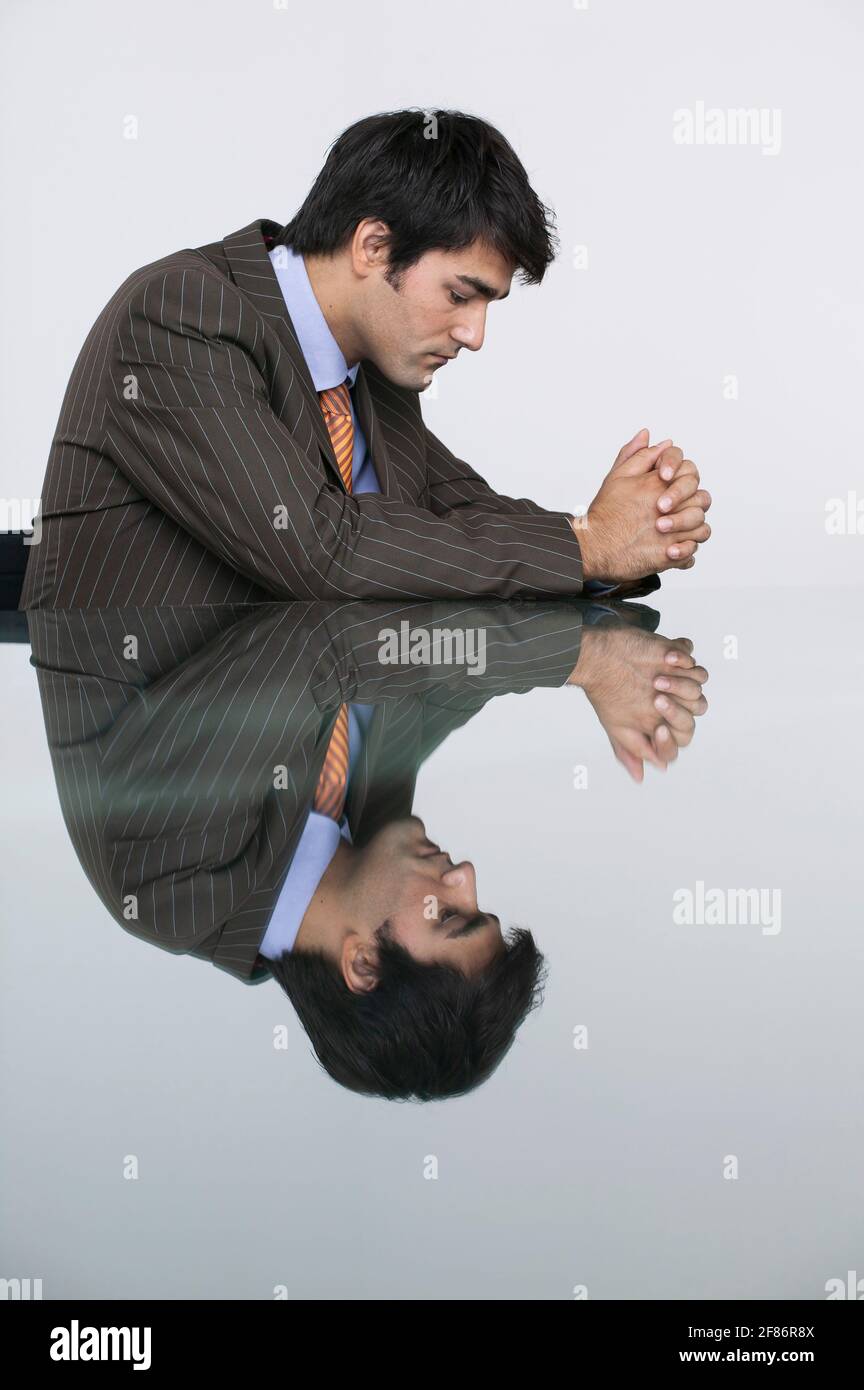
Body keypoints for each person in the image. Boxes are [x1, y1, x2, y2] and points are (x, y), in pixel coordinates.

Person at [19, 107, 711, 609]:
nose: (475, 335)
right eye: (461, 295)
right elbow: (321, 550)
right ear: (374, 247)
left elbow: (464, 512)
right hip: (177, 781)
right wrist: (589, 547)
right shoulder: (180, 316)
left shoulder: (372, 369)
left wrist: (618, 535)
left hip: (326, 746)